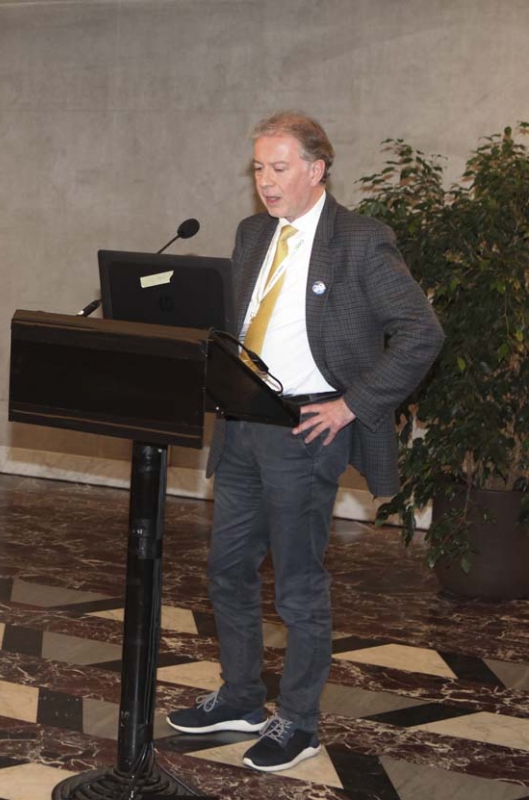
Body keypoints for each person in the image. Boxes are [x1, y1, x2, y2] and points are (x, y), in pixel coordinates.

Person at [166, 112, 443, 772]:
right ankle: (240, 698)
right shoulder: (252, 233)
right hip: (241, 426)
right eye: (258, 168)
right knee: (227, 570)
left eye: (279, 167)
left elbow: (421, 332)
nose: (265, 181)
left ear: (316, 170)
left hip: (305, 430)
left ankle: (298, 721)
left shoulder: (360, 240)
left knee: (296, 587)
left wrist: (351, 405)